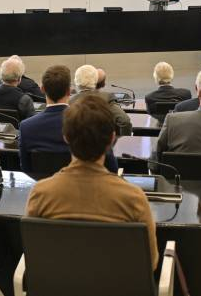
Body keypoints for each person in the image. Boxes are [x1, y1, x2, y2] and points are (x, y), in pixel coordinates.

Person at [26, 93, 158, 268]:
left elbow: (35, 255)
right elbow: (151, 262)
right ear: (112, 138)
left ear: (65, 137)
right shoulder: (134, 199)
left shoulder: (40, 194)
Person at [18, 65, 117, 174]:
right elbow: (110, 167)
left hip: (43, 183)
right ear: (69, 91)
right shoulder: (89, 122)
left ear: (42, 89)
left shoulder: (26, 127)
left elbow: (25, 168)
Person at [70, 65, 132, 135]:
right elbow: (125, 121)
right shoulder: (106, 97)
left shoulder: (70, 101)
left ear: (76, 81)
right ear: (95, 79)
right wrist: (123, 140)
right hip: (103, 140)